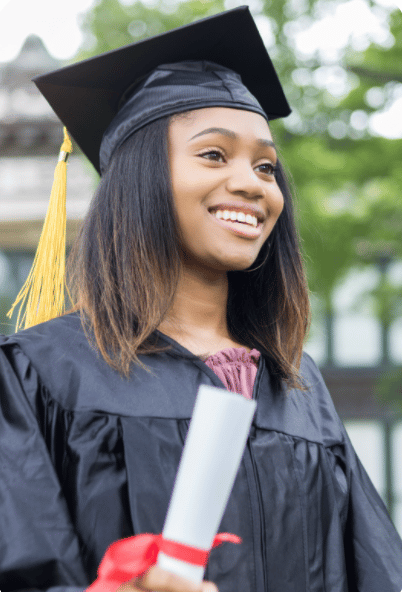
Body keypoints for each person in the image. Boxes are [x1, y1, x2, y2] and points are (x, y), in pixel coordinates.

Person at [1, 6, 402, 592]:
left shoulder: (300, 389)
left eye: (267, 166)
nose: (252, 183)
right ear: (140, 178)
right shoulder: (40, 375)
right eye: (214, 154)